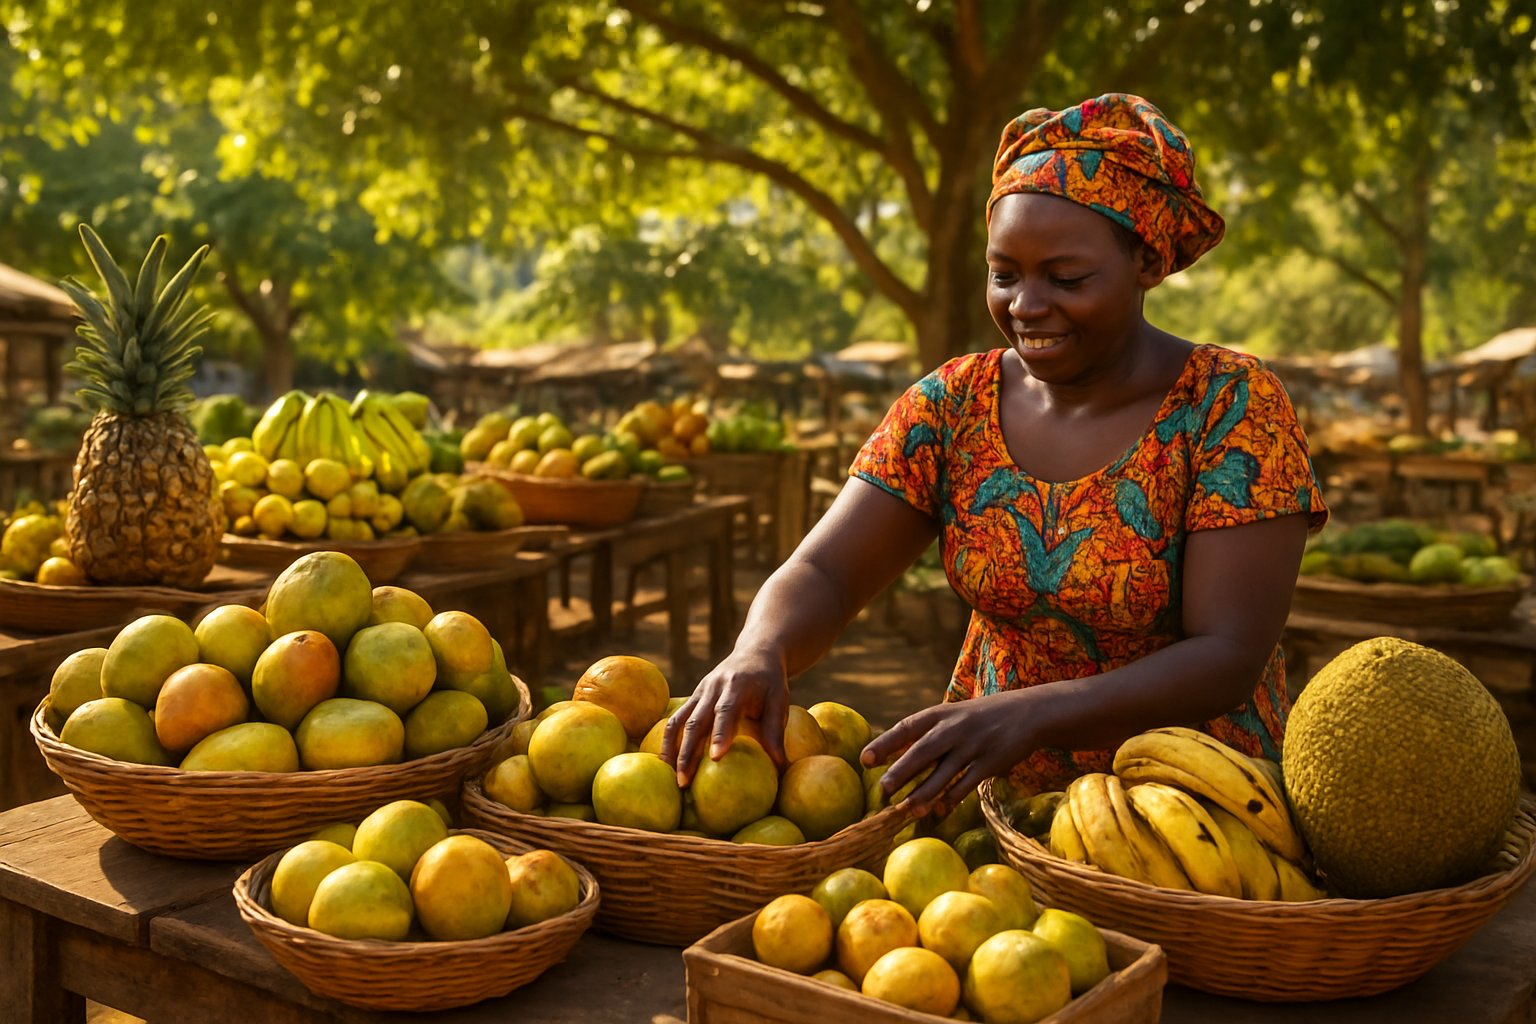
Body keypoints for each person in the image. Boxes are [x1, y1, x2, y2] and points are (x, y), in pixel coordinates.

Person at [662, 94, 1327, 820]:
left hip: (1195, 812)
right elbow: (827, 569)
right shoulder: (952, 405)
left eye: (1066, 279)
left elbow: (1227, 654)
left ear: (1146, 259)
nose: (1026, 306)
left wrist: (1027, 714)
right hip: (993, 798)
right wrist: (761, 648)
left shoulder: (1230, 406)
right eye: (1004, 274)